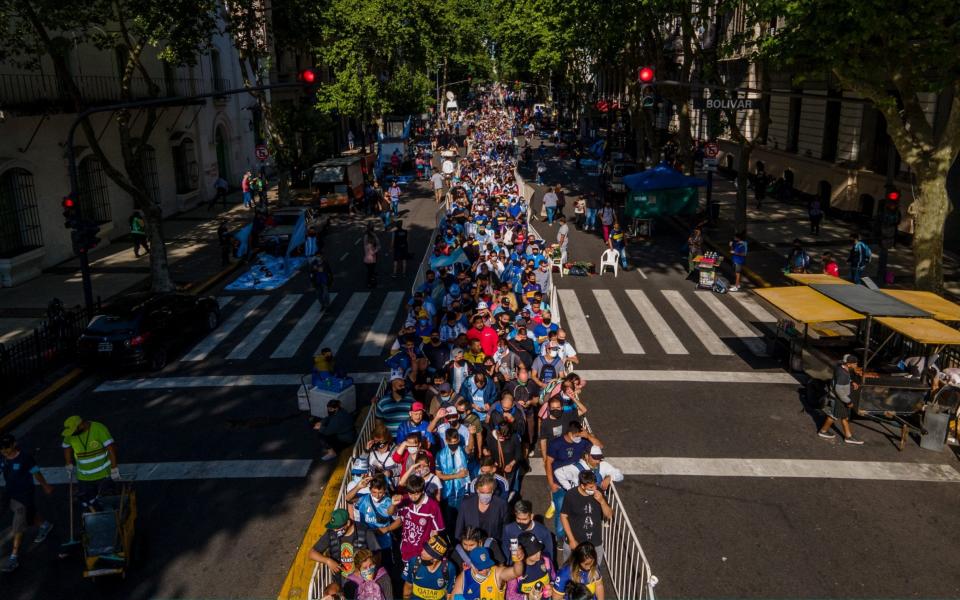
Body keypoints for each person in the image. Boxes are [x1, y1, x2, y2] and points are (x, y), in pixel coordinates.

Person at [0, 434, 54, 572]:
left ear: (13, 444)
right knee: (29, 515)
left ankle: (13, 557)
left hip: (24, 494)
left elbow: (36, 472)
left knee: (19, 521)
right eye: (1, 449)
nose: (4, 451)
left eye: (6, 448)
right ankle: (44, 525)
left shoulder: (25, 457)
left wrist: (45, 485)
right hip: (9, 492)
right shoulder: (2, 457)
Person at [309, 508, 381, 583]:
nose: (335, 530)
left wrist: (365, 570)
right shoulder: (331, 533)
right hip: (340, 582)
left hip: (362, 581)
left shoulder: (365, 531)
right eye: (334, 527)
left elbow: (377, 555)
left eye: (338, 527)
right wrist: (328, 561)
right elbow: (312, 553)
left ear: (348, 523)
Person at [61, 415, 120, 506]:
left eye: (74, 431)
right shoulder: (71, 433)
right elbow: (66, 447)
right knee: (87, 503)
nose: (72, 434)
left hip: (104, 474)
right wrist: (68, 463)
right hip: (84, 477)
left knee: (108, 502)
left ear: (81, 425)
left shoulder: (98, 428)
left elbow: (111, 448)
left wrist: (114, 468)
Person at [387, 474, 445, 562]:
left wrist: (430, 552)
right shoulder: (405, 500)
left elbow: (435, 532)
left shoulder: (433, 506)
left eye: (416, 494)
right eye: (410, 494)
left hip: (422, 552)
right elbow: (390, 513)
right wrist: (393, 505)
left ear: (422, 491)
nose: (413, 497)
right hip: (406, 549)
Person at [559, 471, 612, 563]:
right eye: (591, 487)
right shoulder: (571, 495)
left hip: (595, 542)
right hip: (575, 541)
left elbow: (609, 515)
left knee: (594, 570)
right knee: (570, 568)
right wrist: (571, 540)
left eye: (595, 485)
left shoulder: (599, 493)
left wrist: (602, 501)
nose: (594, 488)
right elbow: (563, 516)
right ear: (582, 486)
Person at [817, 354, 865, 444]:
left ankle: (845, 436)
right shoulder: (843, 374)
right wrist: (848, 401)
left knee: (839, 416)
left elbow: (843, 379)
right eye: (855, 364)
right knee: (837, 416)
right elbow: (839, 390)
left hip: (838, 398)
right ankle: (825, 432)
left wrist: (851, 382)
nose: (856, 365)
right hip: (839, 398)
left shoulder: (841, 368)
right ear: (849, 364)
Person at [451, 545, 525, 600]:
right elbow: (453, 597)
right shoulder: (463, 577)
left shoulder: (497, 573)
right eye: (480, 568)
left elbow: (516, 572)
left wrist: (518, 560)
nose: (485, 571)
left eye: (487, 566)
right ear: (472, 565)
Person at [402, 532, 458, 600]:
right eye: (424, 548)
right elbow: (407, 589)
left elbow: (449, 594)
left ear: (435, 559)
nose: (422, 552)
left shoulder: (449, 568)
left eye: (427, 552)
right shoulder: (414, 562)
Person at [455, 473, 509, 542]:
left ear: (492, 491)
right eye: (482, 492)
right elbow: (459, 530)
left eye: (488, 493)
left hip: (493, 547)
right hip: (471, 546)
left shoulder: (501, 505)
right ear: (477, 490)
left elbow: (505, 531)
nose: (485, 495)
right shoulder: (466, 504)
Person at [501, 500, 555, 567]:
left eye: (524, 519)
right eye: (518, 519)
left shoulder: (544, 532)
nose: (521, 522)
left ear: (531, 516)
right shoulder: (508, 530)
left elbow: (549, 554)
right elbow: (506, 552)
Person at [506, 532, 556, 600]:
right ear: (524, 554)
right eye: (534, 552)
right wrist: (527, 597)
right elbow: (510, 596)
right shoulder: (515, 571)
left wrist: (552, 586)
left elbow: (554, 577)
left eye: (539, 549)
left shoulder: (546, 560)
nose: (539, 553)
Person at [363, 222, 380, 288]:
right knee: (371, 271)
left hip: (366, 257)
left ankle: (369, 282)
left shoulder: (365, 237)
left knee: (369, 271)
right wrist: (375, 251)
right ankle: (372, 282)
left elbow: (365, 246)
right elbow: (378, 245)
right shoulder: (374, 236)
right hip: (372, 257)